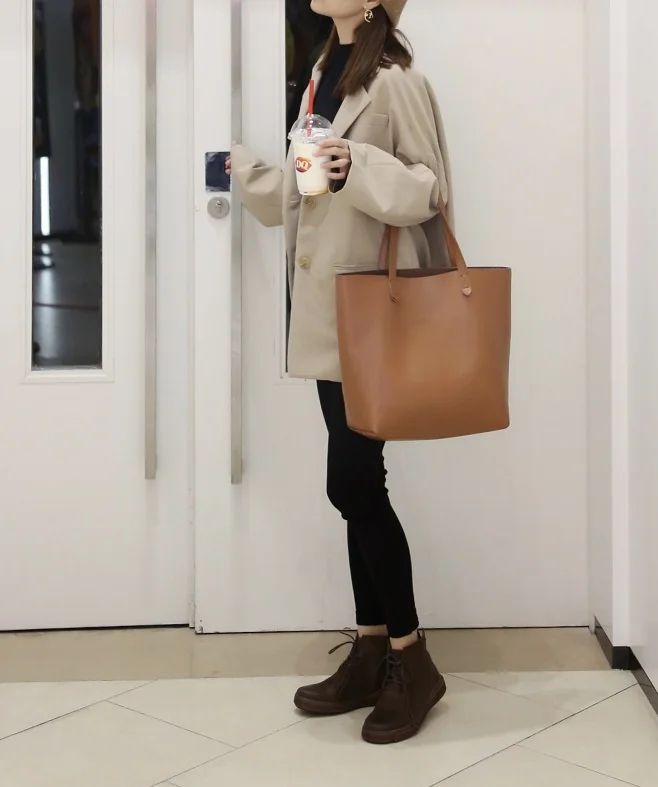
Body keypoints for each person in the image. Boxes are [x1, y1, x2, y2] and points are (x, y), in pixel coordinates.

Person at [226, 0, 452, 745]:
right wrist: (245, 171)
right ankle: (372, 649)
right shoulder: (324, 71)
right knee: (356, 483)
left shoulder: (395, 79)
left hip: (372, 311)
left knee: (353, 483)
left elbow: (429, 188)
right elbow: (307, 185)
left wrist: (359, 166)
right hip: (328, 310)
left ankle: (411, 659)